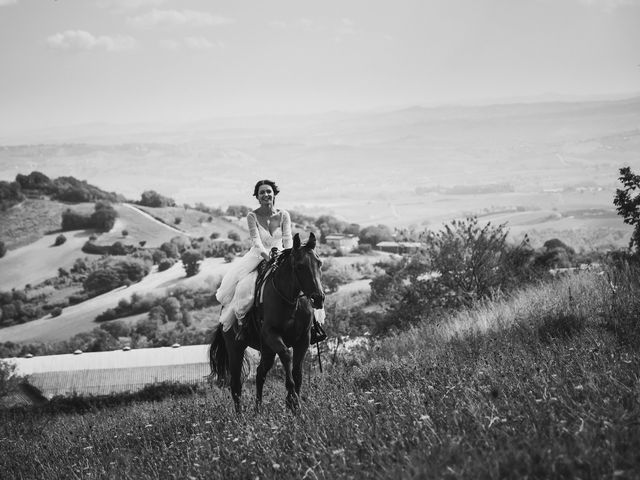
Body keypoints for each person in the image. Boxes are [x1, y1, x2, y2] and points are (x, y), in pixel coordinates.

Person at [215, 179, 293, 339]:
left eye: (268, 191)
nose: (265, 194)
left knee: (304, 280)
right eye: (261, 192)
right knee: (245, 287)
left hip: (282, 253)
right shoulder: (252, 216)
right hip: (259, 255)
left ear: (274, 194)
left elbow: (287, 238)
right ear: (257, 197)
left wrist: (288, 254)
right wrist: (268, 257)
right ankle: (243, 325)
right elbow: (256, 241)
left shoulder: (284, 215)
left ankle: (313, 326)